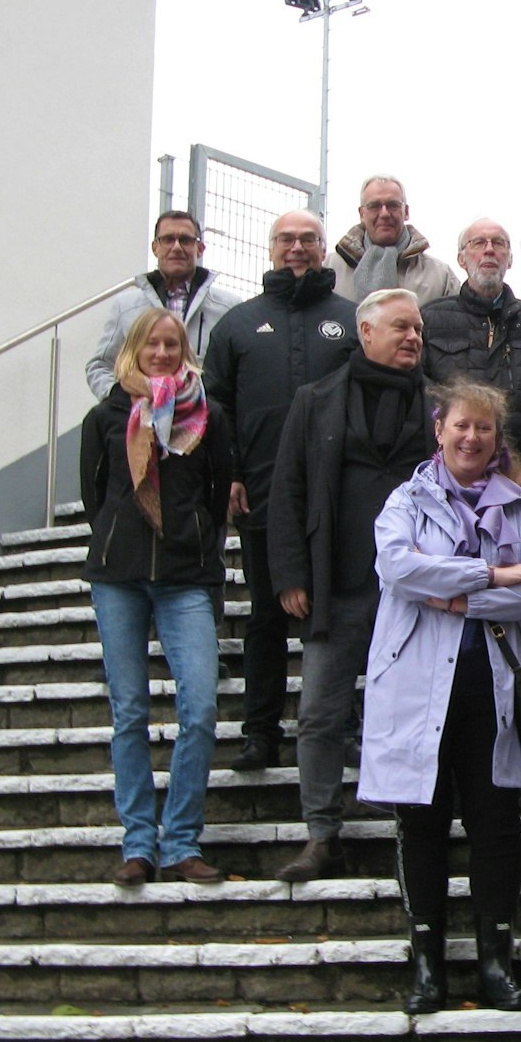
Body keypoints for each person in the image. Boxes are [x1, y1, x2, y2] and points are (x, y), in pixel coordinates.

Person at [358, 380, 521, 1014]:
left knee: (496, 826)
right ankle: (428, 965)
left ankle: (497, 963)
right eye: (461, 427)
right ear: (440, 430)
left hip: (491, 688)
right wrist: (493, 575)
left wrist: (452, 596)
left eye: (485, 429)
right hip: (417, 686)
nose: (471, 438)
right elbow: (398, 568)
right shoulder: (405, 500)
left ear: (499, 440)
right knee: (421, 825)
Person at [269, 288, 437, 883]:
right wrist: (289, 574)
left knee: (412, 713)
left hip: (415, 591)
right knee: (319, 714)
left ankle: (413, 832)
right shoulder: (315, 401)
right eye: (401, 327)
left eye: (417, 328)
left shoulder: (439, 405)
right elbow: (286, 489)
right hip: (336, 584)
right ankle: (321, 834)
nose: (413, 337)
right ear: (365, 333)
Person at [79, 307, 234, 887]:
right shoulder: (107, 416)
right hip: (118, 578)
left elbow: (218, 494)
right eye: (153, 344)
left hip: (185, 576)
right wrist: (122, 536)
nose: (163, 353)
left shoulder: (209, 415)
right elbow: (95, 496)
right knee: (131, 713)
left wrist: (194, 539)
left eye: (172, 343)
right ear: (135, 350)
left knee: (200, 708)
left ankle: (183, 842)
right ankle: (139, 844)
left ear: (184, 350)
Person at [202, 209, 359, 775]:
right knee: (267, 617)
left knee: (344, 617)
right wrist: (231, 474)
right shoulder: (238, 326)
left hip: (342, 500)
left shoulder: (351, 319)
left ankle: (343, 727)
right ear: (271, 249)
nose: (298, 248)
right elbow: (214, 409)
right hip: (265, 495)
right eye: (287, 240)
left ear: (324, 248)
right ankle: (259, 733)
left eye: (309, 240)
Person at [419, 218, 521, 504]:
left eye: (499, 244)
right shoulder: (430, 320)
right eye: (478, 243)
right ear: (461, 258)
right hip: (445, 484)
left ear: (510, 259)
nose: (489, 250)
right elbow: (419, 394)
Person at [85, 210, 245, 399]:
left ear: (200, 248)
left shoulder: (228, 308)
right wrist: (120, 402)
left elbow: (240, 372)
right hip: (139, 422)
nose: (176, 247)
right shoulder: (126, 307)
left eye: (185, 240)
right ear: (155, 248)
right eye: (168, 239)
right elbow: (100, 365)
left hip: (205, 422)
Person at [331, 175, 461, 303]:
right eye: (374, 206)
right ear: (362, 214)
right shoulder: (330, 269)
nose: (384, 214)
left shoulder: (440, 277)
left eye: (393, 205)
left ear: (407, 211)